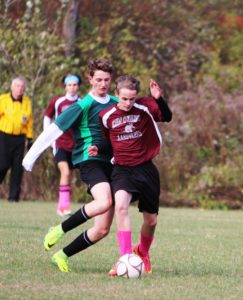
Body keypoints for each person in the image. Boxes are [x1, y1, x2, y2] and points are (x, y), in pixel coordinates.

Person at [22, 58, 118, 272]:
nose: (103, 84)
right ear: (90, 79)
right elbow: (53, 130)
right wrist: (30, 157)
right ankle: (58, 229)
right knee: (104, 202)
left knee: (102, 229)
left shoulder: (115, 102)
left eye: (107, 80)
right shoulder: (82, 105)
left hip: (112, 163)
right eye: (99, 79)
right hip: (89, 161)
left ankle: (62, 255)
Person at [88, 75, 172, 276]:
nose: (128, 103)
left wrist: (158, 99)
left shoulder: (144, 107)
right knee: (122, 207)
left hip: (146, 169)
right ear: (116, 95)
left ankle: (142, 252)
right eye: (124, 98)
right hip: (122, 170)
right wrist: (98, 147)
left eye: (132, 99)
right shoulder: (106, 116)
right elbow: (109, 142)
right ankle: (125, 258)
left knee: (151, 221)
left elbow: (167, 117)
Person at [43, 74, 82, 216]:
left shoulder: (82, 102)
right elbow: (47, 116)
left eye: (75, 85)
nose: (72, 88)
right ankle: (64, 207)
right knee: (65, 172)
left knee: (69, 175)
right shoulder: (58, 101)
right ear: (65, 86)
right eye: (69, 85)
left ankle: (62, 206)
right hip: (59, 143)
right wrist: (48, 137)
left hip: (76, 146)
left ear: (78, 86)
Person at [0, 76, 33, 202]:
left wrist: (30, 139)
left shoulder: (26, 101)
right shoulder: (3, 100)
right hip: (4, 136)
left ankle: (13, 198)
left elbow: (29, 122)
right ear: (12, 87)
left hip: (20, 138)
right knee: (2, 165)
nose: (20, 89)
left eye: (22, 87)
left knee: (17, 169)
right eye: (18, 86)